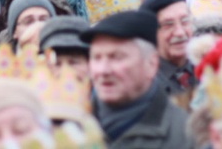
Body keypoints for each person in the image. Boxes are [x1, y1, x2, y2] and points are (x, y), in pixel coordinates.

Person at [80, 10, 190, 148]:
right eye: (96, 57)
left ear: (151, 64)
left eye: (117, 57)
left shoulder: (186, 136)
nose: (103, 70)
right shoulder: (71, 130)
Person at [140, 0, 197, 96]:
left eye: (185, 21)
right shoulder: (143, 84)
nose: (180, 32)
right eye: (168, 25)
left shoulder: (208, 70)